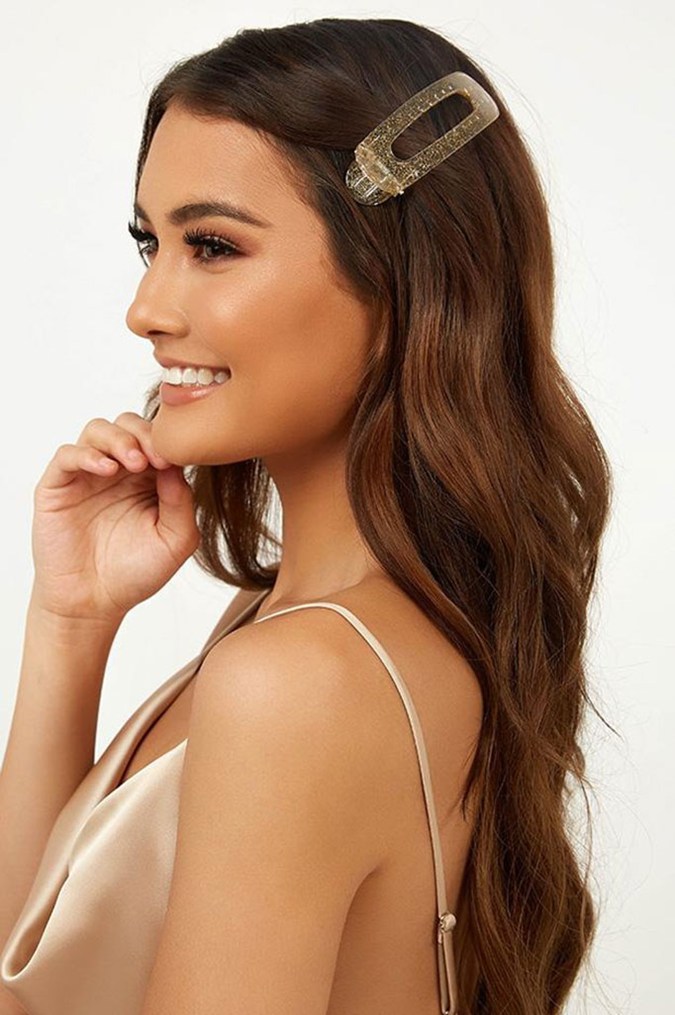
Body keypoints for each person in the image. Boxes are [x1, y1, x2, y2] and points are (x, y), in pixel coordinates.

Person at [0, 16, 613, 1015]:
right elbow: (33, 969)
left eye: (212, 245)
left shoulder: (299, 679)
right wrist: (70, 623)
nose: (146, 308)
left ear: (400, 277)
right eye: (150, 243)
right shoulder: (318, 629)